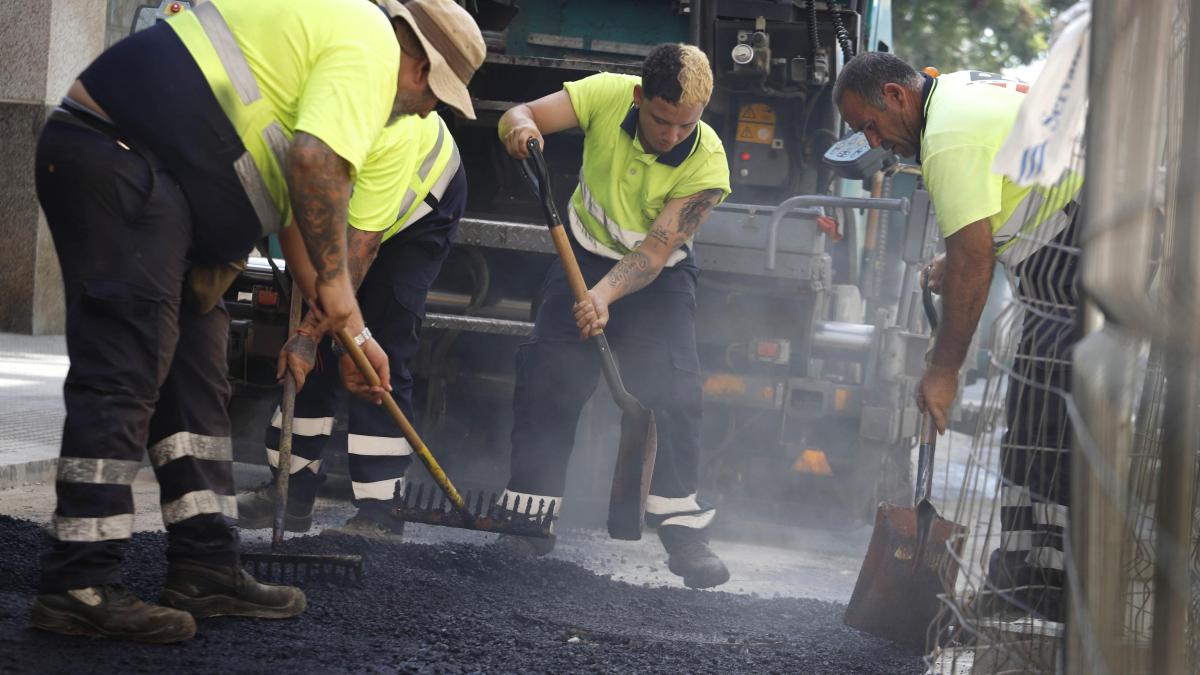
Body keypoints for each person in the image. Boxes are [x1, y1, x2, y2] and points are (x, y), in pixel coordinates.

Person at [30, 0, 480, 643]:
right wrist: (338, 292)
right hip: (121, 159)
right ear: (415, 60)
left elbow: (298, 212)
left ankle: (205, 565)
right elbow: (314, 166)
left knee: (195, 375)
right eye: (434, 93)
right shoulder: (371, 48)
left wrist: (354, 333)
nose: (427, 109)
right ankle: (78, 581)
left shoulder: (339, 49)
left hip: (157, 178)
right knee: (126, 371)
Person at [834, 52, 1082, 622]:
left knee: (1048, 421)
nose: (874, 142)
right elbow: (987, 215)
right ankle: (1024, 585)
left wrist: (942, 372)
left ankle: (1042, 594)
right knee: (1034, 414)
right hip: (1076, 237)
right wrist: (964, 250)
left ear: (897, 95)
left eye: (870, 125)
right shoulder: (957, 91)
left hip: (1083, 243)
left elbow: (975, 266)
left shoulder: (945, 136)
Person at [495, 44, 733, 589]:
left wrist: (601, 296)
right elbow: (521, 113)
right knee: (550, 376)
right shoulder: (604, 94)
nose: (672, 135)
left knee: (677, 388)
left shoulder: (708, 166)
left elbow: (651, 255)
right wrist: (520, 129)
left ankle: (681, 528)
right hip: (580, 253)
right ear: (637, 97)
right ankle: (528, 520)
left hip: (658, 277)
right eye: (660, 119)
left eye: (685, 125)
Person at [235, 110, 467, 540]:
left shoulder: (392, 129)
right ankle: (290, 488)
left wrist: (326, 334)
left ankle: (381, 511)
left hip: (417, 212)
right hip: (346, 208)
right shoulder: (291, 120)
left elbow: (359, 250)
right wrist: (308, 337)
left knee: (376, 349)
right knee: (313, 348)